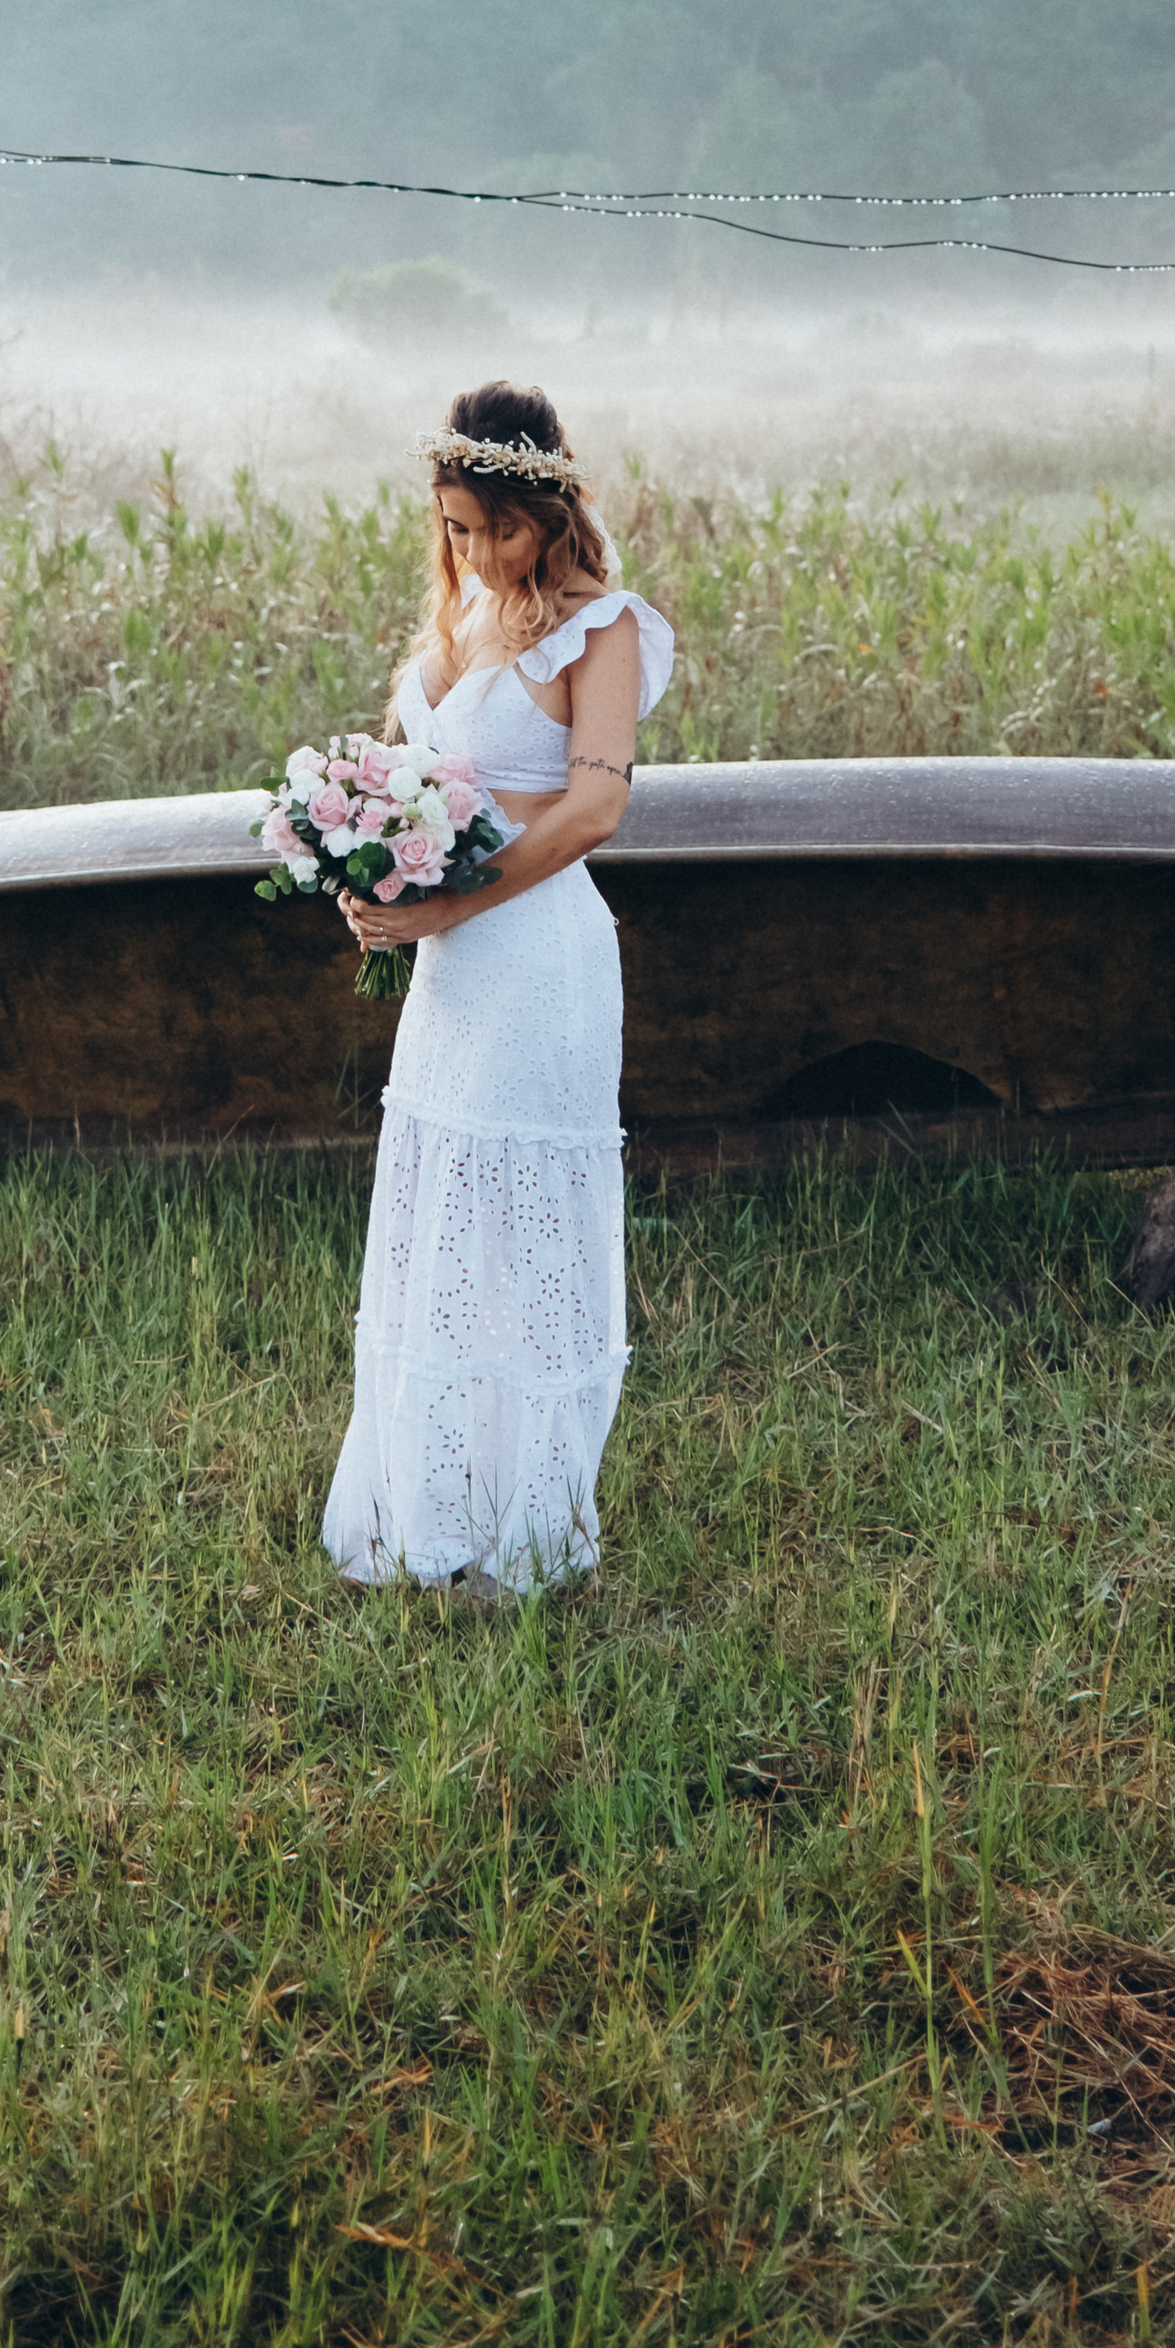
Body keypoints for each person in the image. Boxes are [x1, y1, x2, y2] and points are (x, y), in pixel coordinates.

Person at [319, 380, 675, 1600]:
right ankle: (431, 1509)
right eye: (454, 530)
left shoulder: (605, 627)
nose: (472, 553)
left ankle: (528, 1525)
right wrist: (361, 870)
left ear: (550, 509)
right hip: (448, 977)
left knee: (523, 1232)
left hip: (538, 962)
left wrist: (450, 903)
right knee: (444, 1231)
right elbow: (407, 777)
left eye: (493, 529)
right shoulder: (460, 617)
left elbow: (595, 805)